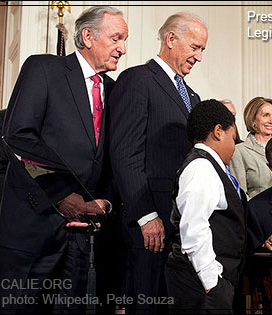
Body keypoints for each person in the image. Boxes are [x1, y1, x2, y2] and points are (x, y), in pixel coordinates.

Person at [0, 6, 127, 314]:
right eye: (116, 37)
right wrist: (62, 196)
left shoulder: (114, 90)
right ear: (87, 37)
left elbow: (112, 157)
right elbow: (19, 138)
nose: (123, 48)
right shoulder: (44, 69)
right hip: (34, 233)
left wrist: (104, 202)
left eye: (124, 39)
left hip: (84, 240)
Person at [108, 12, 207, 314]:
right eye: (195, 47)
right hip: (149, 224)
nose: (199, 57)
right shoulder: (137, 79)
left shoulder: (193, 96)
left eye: (202, 50)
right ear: (171, 39)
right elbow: (125, 153)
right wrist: (146, 215)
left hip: (181, 224)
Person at [165, 99, 245, 314]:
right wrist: (214, 285)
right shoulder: (201, 167)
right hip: (202, 287)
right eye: (233, 137)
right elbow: (194, 230)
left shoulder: (207, 166)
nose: (234, 146)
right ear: (219, 132)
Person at [229, 97, 272, 199]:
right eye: (266, 115)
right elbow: (240, 194)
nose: (271, 121)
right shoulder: (239, 151)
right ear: (253, 119)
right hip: (257, 212)